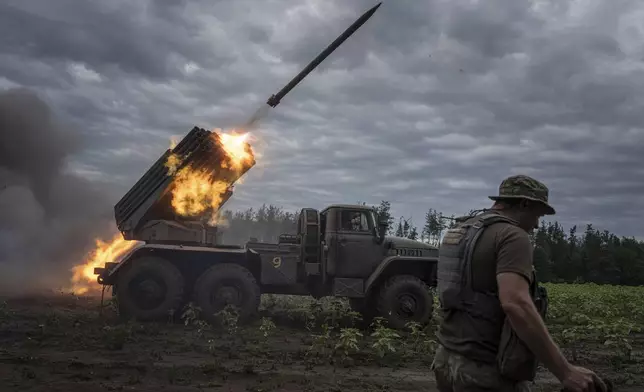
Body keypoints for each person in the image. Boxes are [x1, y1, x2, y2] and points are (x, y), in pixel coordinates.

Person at [431, 174, 607, 392]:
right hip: (484, 371)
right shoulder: (512, 236)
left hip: (446, 361)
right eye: (537, 215)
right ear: (524, 204)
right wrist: (565, 371)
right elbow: (516, 303)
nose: (537, 225)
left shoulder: (461, 230)